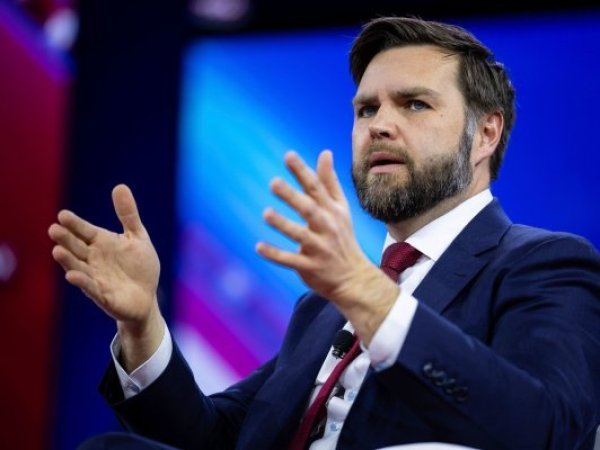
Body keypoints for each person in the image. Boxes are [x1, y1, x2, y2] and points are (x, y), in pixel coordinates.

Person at [48, 16, 600, 450]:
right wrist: (142, 323)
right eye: (366, 109)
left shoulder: (543, 264)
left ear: (486, 133)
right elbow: (215, 437)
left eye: (414, 104)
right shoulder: (321, 310)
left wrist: (368, 295)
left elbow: (549, 429)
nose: (379, 125)